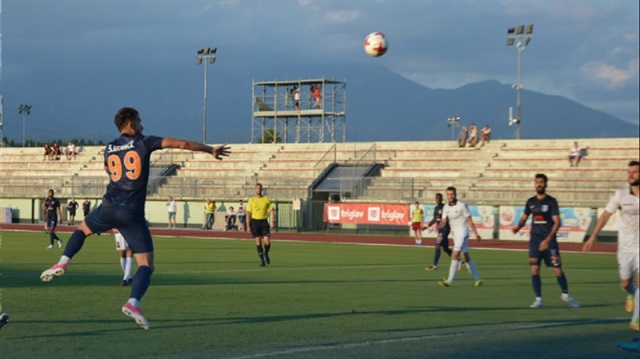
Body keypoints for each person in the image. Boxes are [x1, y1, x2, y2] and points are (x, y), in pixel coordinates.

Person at [39, 106, 231, 330]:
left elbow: (108, 170)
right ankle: (133, 302)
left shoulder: (109, 148)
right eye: (139, 122)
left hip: (108, 206)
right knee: (147, 265)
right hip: (131, 213)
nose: (142, 126)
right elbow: (183, 144)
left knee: (82, 230)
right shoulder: (144, 141)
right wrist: (210, 150)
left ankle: (63, 262)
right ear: (130, 124)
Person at [583, 161, 639, 331]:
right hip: (625, 247)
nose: (630, 175)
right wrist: (592, 236)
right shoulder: (620, 195)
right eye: (629, 172)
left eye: (635, 172)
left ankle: (636, 319)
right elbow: (606, 215)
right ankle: (630, 293)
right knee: (625, 282)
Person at [512, 173, 580, 309]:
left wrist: (548, 240)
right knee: (535, 270)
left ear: (546, 184)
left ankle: (565, 294)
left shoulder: (551, 201)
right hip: (534, 241)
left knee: (558, 271)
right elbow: (525, 217)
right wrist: (518, 227)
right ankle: (538, 299)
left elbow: (557, 222)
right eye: (537, 182)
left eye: (541, 182)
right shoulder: (530, 202)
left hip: (549, 242)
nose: (539, 184)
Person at [437, 187, 483, 287]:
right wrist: (438, 225)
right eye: (448, 194)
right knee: (465, 257)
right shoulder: (446, 207)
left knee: (454, 254)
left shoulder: (462, 205)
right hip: (456, 235)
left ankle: (449, 281)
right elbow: (444, 221)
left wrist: (476, 233)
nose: (450, 196)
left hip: (463, 233)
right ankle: (478, 279)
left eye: (452, 194)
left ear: (455, 194)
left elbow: (469, 220)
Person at [247, 183, 276, 267]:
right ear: (255, 189)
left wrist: (272, 221)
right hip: (255, 222)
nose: (258, 190)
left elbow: (271, 210)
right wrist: (248, 226)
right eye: (257, 188)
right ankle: (262, 261)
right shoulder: (251, 200)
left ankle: (266, 253)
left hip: (264, 222)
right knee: (258, 241)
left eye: (260, 188)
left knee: (267, 241)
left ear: (262, 189)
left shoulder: (266, 199)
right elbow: (248, 213)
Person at [425, 193, 455, 271]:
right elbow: (435, 218)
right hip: (441, 230)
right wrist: (427, 226)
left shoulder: (445, 207)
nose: (437, 199)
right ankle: (457, 260)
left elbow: (447, 219)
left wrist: (441, 225)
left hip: (445, 229)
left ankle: (434, 265)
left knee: (437, 244)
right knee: (445, 248)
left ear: (441, 199)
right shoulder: (436, 208)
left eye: (438, 198)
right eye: (436, 198)